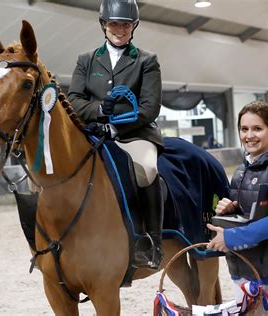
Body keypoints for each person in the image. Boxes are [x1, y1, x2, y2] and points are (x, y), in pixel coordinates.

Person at [68, 0, 163, 269]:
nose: (119, 29)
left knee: (146, 169)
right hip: (93, 131)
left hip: (135, 134)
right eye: (114, 23)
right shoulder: (86, 60)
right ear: (103, 25)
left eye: (125, 24)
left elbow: (149, 107)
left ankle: (153, 241)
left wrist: (116, 126)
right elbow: (73, 99)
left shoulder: (146, 60)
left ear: (134, 26)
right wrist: (98, 110)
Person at [206, 101, 268, 314]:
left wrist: (230, 238)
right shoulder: (241, 172)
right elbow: (250, 215)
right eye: (244, 129)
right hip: (242, 271)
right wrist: (230, 210)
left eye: (257, 128)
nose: (249, 135)